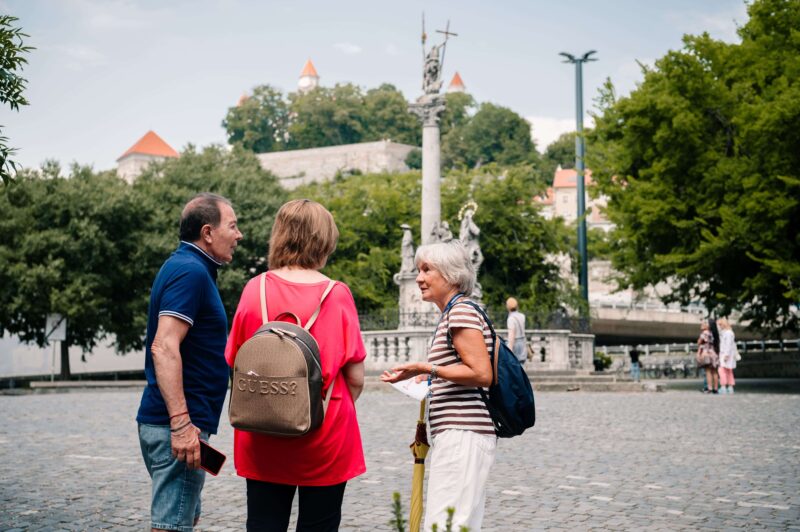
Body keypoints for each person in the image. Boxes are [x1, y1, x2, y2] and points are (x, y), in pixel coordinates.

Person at [224, 199, 366, 531]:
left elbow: (234, 361)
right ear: (324, 240)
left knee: (263, 523)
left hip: (263, 431)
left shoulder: (254, 289)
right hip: (324, 433)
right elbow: (356, 377)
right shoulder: (337, 294)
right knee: (320, 524)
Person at [136, 192, 243, 531]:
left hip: (177, 424)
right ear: (208, 232)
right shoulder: (190, 272)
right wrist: (182, 425)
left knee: (183, 517)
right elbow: (164, 347)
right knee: (171, 525)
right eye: (233, 226)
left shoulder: (189, 267)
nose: (239, 235)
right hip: (177, 427)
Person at [381, 240, 495, 532]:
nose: (418, 278)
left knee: (446, 524)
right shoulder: (455, 312)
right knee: (451, 522)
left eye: (427, 269)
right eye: (419, 269)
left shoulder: (461, 312)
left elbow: (482, 373)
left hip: (463, 432)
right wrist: (426, 377)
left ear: (451, 273)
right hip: (458, 432)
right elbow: (464, 370)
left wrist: (427, 368)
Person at [696, 318, 720, 394]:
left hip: (706, 353)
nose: (703, 324)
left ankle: (709, 388)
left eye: (706, 323)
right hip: (713, 353)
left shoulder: (704, 333)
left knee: (708, 371)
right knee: (715, 371)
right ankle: (716, 389)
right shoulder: (713, 333)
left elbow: (699, 342)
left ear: (708, 326)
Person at [717, 318, 737, 394]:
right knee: (729, 371)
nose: (719, 326)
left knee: (722, 371)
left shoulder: (728, 333)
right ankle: (730, 387)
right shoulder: (728, 332)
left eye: (720, 324)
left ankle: (723, 386)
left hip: (725, 354)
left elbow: (728, 345)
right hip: (727, 354)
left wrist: (726, 355)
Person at [505, 297, 527, 365]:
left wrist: (509, 351)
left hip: (516, 344)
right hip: (523, 342)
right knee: (521, 366)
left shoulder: (511, 319)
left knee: (514, 366)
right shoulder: (522, 316)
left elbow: (511, 336)